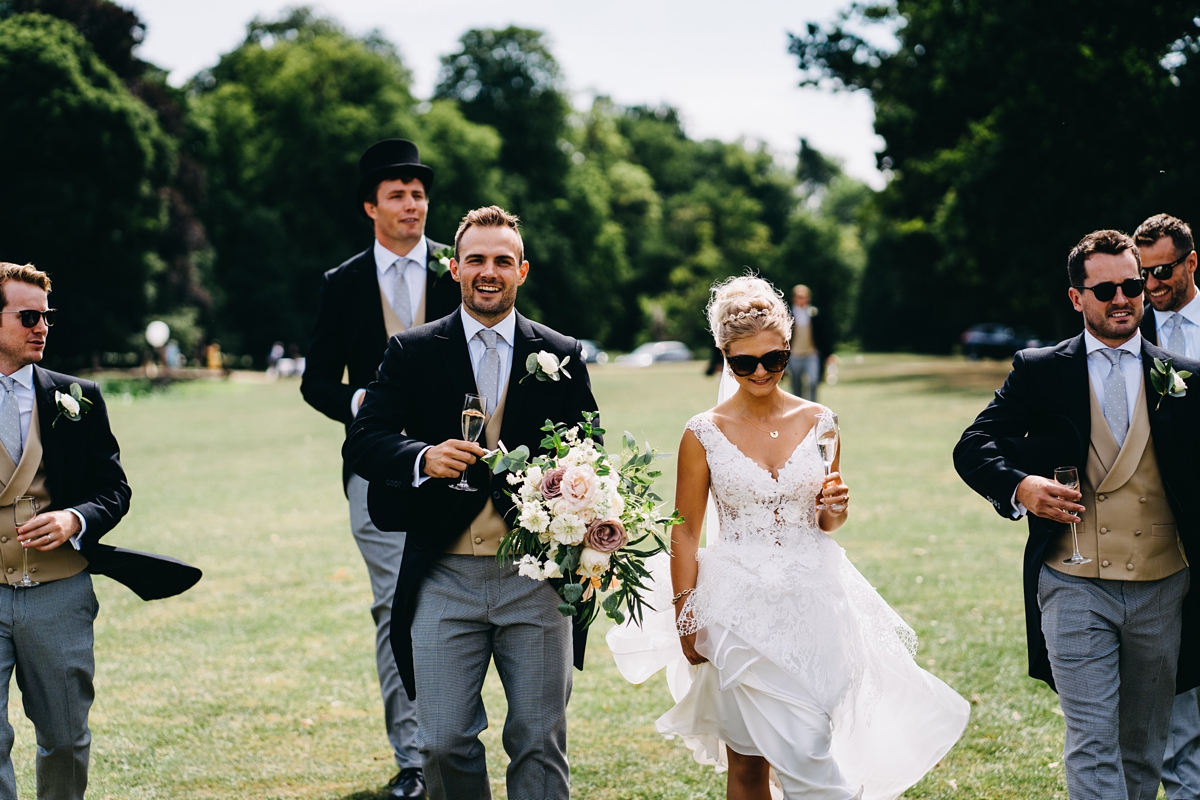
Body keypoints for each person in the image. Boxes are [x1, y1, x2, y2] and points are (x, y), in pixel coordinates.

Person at [611, 276, 967, 799]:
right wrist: (688, 617)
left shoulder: (821, 421)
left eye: (774, 360)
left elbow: (828, 521)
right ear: (724, 357)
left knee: (807, 744)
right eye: (744, 362)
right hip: (736, 611)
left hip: (816, 601)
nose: (760, 372)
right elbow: (684, 532)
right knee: (748, 763)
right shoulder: (702, 431)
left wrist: (835, 510)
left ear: (788, 348)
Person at [343, 206, 599, 800]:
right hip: (442, 575)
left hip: (532, 578)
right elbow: (365, 439)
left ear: (522, 271)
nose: (490, 271)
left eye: (502, 261)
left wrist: (567, 487)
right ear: (454, 268)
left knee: (539, 739)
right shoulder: (412, 350)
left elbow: (591, 447)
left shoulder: (559, 353)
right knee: (440, 740)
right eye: (477, 260)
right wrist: (421, 456)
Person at [954, 230, 1200, 800]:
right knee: (1092, 744)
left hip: (1163, 587)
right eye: (1106, 288)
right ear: (1076, 298)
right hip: (1072, 584)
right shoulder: (1042, 370)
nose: (1122, 299)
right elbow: (974, 444)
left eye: (1133, 285)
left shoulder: (1184, 376)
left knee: (1141, 749)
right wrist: (1021, 487)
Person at [300, 139, 461, 799]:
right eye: (397, 194)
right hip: (377, 472)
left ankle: (456, 741)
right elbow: (315, 383)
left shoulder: (461, 270)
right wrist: (360, 401)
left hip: (460, 467)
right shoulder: (341, 284)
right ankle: (416, 759)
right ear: (372, 206)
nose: (412, 205)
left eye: (419, 194)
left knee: (462, 602)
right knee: (397, 606)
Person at [0, 263, 132, 798]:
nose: (42, 327)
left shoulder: (77, 398)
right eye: (29, 316)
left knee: (65, 740)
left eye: (47, 317)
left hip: (59, 595)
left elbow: (114, 491)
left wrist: (75, 518)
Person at [1131, 215, 1200, 799]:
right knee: (1180, 675)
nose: (1151, 284)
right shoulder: (1129, 332)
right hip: (1161, 532)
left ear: (1192, 261)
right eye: (1143, 273)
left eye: (1163, 271)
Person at [787, 284, 833, 401]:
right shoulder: (787, 314)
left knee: (813, 382)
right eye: (799, 296)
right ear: (794, 298)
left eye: (804, 296)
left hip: (811, 354)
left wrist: (828, 354)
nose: (802, 299)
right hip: (794, 355)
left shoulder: (815, 313)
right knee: (796, 386)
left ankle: (813, 410)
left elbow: (823, 335)